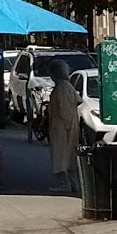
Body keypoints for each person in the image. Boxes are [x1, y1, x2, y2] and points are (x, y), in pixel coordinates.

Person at [45, 59, 80, 193]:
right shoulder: (68, 86)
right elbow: (77, 101)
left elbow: (64, 110)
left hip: (62, 128)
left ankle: (64, 183)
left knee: (60, 157)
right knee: (68, 157)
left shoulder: (61, 88)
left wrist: (65, 123)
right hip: (68, 126)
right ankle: (72, 183)